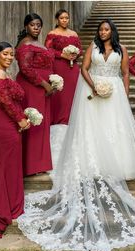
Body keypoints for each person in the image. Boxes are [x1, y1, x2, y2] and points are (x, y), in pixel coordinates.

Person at [17, 19, 135, 251]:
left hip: (115, 95)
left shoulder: (123, 49)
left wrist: (124, 92)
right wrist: (92, 86)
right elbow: (83, 68)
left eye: (106, 29)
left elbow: (124, 73)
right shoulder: (92, 46)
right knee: (96, 129)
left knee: (117, 129)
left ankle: (120, 161)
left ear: (113, 31)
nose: (103, 32)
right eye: (101, 29)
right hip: (95, 91)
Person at [0, 42, 30, 238]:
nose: (9, 57)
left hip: (5, 122)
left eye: (11, 54)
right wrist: (21, 120)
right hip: (2, 125)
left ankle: (12, 203)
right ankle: (6, 206)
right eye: (5, 54)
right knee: (6, 165)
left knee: (8, 165)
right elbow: (6, 101)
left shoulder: (3, 72)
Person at [16, 13, 55, 176]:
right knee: (34, 124)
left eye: (38, 25)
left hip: (41, 89)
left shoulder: (37, 42)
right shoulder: (25, 43)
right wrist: (45, 84)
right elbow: (25, 69)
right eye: (33, 25)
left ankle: (39, 163)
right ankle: (30, 166)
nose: (36, 28)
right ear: (26, 26)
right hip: (32, 87)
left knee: (42, 124)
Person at [45, 9, 82, 171]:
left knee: (72, 97)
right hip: (59, 68)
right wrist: (63, 55)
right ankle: (58, 133)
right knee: (59, 97)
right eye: (62, 18)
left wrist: (74, 55)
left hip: (73, 70)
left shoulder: (74, 34)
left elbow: (79, 50)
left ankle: (71, 126)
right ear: (57, 19)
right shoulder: (52, 33)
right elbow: (48, 51)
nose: (65, 20)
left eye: (67, 17)